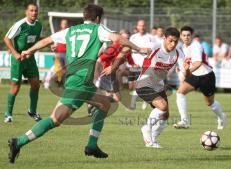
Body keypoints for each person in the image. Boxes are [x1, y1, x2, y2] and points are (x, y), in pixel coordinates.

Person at [8, 4, 149, 163]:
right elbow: (117, 38)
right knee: (55, 119)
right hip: (80, 83)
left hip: (80, 81)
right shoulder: (97, 29)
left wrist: (29, 50)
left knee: (104, 104)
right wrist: (139, 49)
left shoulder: (71, 30)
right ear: (97, 18)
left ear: (84, 17)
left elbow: (47, 40)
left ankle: (92, 145)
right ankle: (18, 142)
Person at [136, 27, 186, 148]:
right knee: (163, 106)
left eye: (176, 41)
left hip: (158, 86)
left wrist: (187, 69)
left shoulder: (178, 53)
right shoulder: (154, 47)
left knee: (165, 116)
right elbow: (136, 50)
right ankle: (146, 129)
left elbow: (185, 73)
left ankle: (152, 139)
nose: (173, 44)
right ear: (164, 38)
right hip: (144, 84)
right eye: (170, 40)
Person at [173, 26, 226, 129]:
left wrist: (186, 71)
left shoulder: (195, 45)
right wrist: (179, 67)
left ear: (192, 35)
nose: (186, 37)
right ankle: (184, 121)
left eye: (188, 35)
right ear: (180, 36)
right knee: (180, 92)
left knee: (210, 103)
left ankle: (222, 116)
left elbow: (198, 63)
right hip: (195, 75)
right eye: (184, 35)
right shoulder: (182, 47)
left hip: (206, 76)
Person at [3, 2, 42, 123]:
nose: (34, 13)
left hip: (30, 59)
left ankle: (32, 111)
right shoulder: (20, 24)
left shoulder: (39, 25)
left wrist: (49, 44)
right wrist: (14, 53)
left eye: (35, 10)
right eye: (31, 10)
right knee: (16, 87)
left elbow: (38, 39)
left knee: (36, 84)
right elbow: (7, 38)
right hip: (18, 60)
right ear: (26, 12)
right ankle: (8, 114)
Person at [129, 19, 156, 110]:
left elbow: (151, 50)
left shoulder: (150, 37)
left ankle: (132, 104)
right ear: (137, 26)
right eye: (140, 25)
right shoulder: (133, 37)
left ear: (146, 26)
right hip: (134, 64)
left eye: (143, 25)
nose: (142, 27)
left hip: (145, 65)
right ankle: (145, 99)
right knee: (132, 86)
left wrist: (140, 49)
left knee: (139, 84)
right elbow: (129, 49)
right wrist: (140, 49)